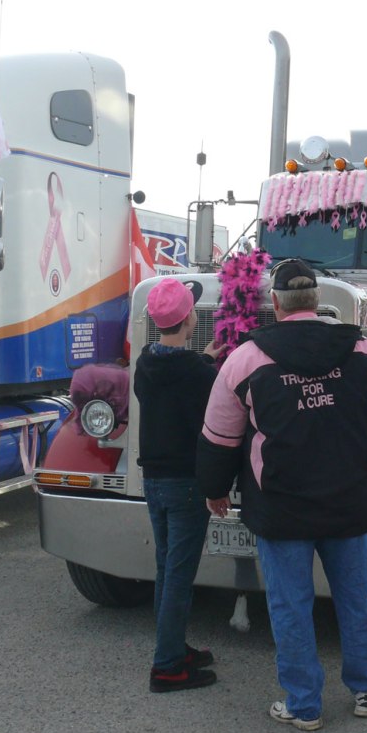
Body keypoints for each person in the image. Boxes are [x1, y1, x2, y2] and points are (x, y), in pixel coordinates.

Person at [196, 258, 367, 730]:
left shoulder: (246, 359)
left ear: (275, 304)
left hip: (281, 507)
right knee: (355, 598)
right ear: (317, 301)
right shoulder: (363, 350)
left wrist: (214, 489)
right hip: (349, 499)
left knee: (290, 606)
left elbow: (219, 437)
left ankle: (303, 705)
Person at [134, 277, 224, 693]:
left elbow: (177, 378)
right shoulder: (197, 374)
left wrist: (204, 359)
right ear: (190, 319)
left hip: (153, 481)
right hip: (186, 483)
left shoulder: (145, 363)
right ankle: (167, 667)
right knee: (179, 576)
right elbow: (211, 415)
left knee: (166, 569)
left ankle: (172, 647)